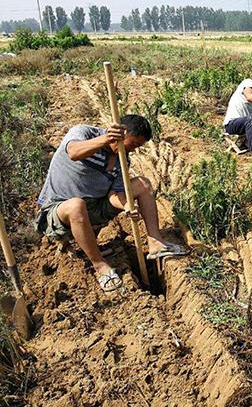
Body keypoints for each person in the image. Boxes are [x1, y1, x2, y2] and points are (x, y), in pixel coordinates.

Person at [34, 115, 187, 293]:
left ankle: (155, 242)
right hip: (58, 210)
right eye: (133, 144)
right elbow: (74, 152)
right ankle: (100, 267)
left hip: (94, 210)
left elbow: (115, 195)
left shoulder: (122, 160)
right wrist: (105, 139)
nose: (132, 150)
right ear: (121, 134)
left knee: (142, 184)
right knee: (76, 205)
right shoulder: (84, 133)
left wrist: (127, 205)